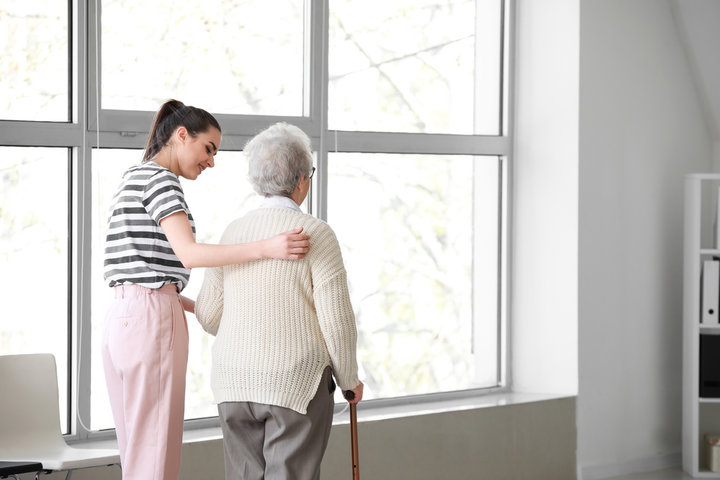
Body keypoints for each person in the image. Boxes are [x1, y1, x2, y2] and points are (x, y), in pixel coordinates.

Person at [102, 100, 310, 480]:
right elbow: (190, 254)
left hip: (122, 319)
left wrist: (194, 304)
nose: (211, 161)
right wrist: (268, 247)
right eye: (208, 149)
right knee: (155, 455)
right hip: (150, 321)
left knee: (137, 452)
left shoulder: (132, 177)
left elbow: (140, 272)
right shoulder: (162, 181)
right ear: (182, 135)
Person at [195, 122, 363, 480]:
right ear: (302, 178)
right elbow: (337, 321)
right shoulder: (315, 234)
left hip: (233, 384)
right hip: (295, 384)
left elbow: (209, 316)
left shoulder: (233, 232)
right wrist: (349, 380)